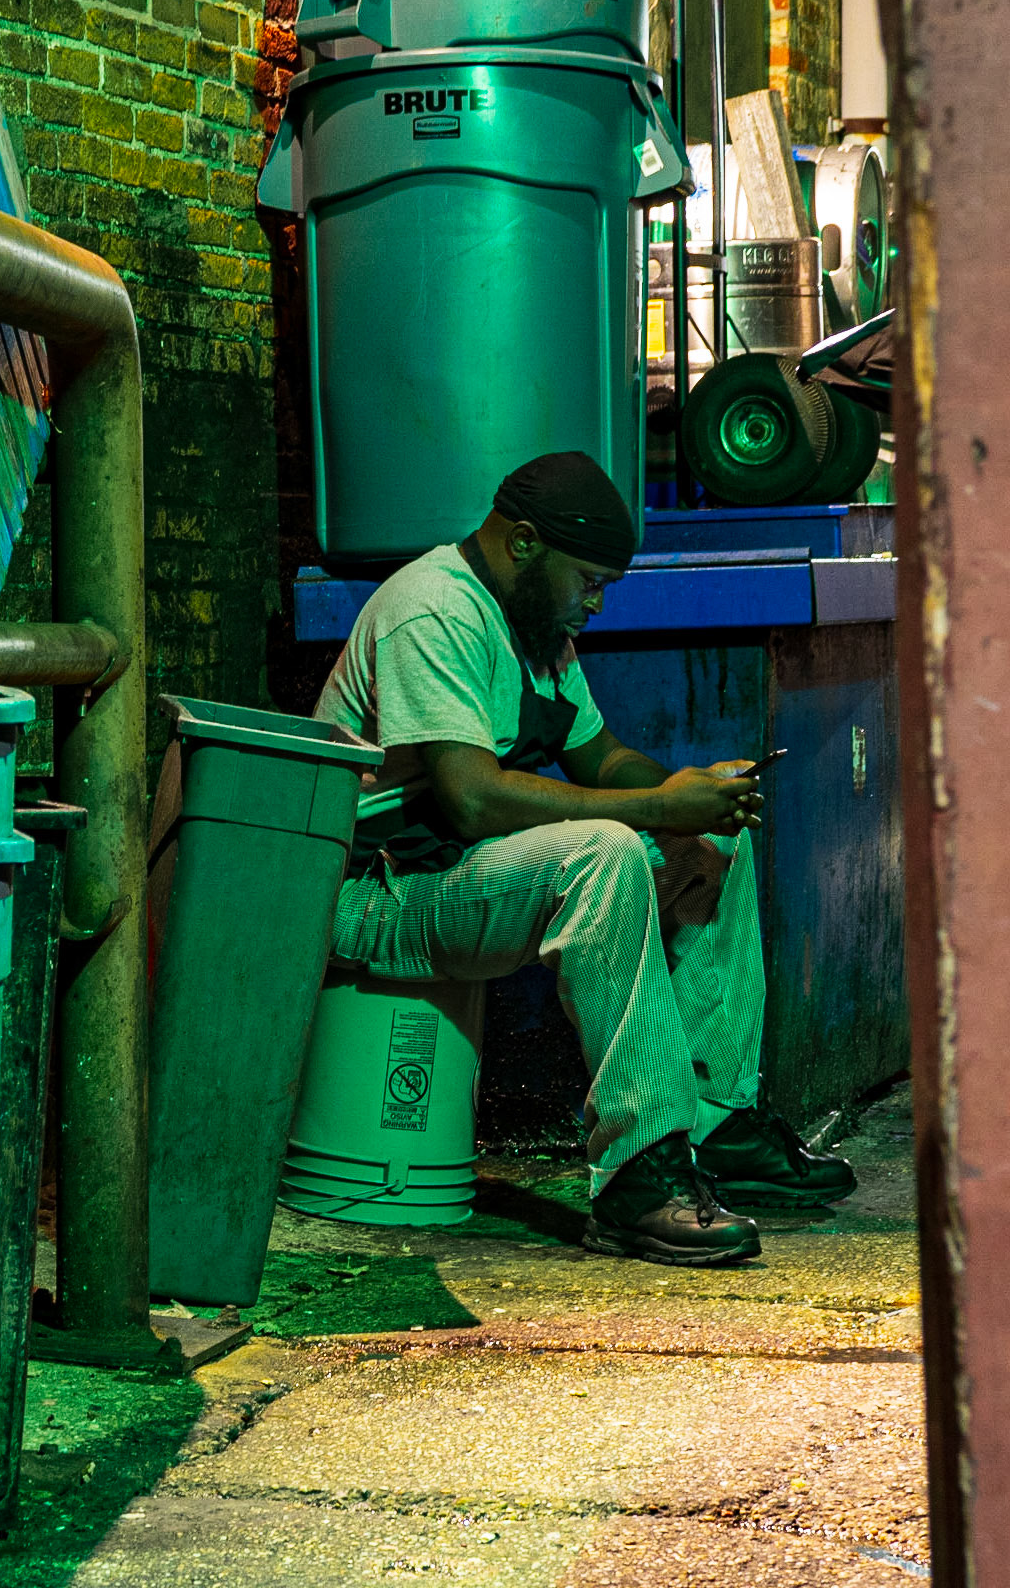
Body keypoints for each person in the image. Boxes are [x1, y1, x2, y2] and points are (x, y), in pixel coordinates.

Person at [312, 450, 856, 1266]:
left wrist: (687, 792)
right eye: (589, 580)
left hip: (460, 876)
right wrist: (651, 809)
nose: (596, 603)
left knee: (709, 844)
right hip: (376, 894)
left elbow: (599, 758)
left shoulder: (539, 628)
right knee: (604, 852)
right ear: (524, 543)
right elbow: (470, 797)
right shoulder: (434, 610)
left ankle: (716, 1124)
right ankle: (637, 1177)